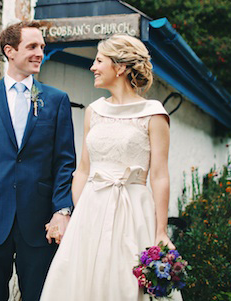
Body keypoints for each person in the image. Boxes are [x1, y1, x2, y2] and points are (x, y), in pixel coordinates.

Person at [40, 34, 183, 301]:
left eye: (99, 60)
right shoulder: (94, 111)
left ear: (120, 67)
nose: (93, 67)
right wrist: (76, 214)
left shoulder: (154, 113)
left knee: (126, 280)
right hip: (91, 209)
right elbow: (83, 169)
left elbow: (160, 176)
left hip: (133, 211)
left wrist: (161, 230)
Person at [0, 21, 76, 301]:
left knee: (39, 295)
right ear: (10, 51)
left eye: (42, 48)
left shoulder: (56, 100)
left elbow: (65, 162)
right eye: (32, 46)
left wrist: (62, 209)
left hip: (39, 221)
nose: (39, 53)